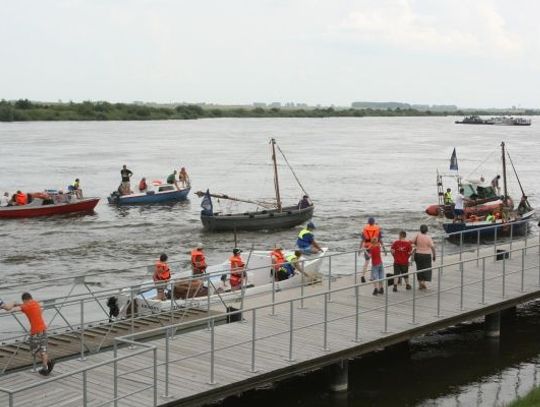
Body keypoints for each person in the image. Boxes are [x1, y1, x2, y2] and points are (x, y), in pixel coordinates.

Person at [2, 293, 55, 376]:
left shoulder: (25, 306)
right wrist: (16, 303)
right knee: (43, 351)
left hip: (35, 332)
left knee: (34, 352)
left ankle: (49, 362)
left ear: (24, 300)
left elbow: (10, 309)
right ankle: (45, 368)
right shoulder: (35, 303)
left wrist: (11, 303)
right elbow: (22, 305)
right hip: (43, 329)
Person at [360, 217, 385, 283]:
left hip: (367, 247)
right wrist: (384, 249)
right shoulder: (377, 229)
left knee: (366, 262)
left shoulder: (365, 229)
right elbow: (380, 240)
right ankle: (372, 277)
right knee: (375, 262)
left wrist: (360, 249)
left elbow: (362, 240)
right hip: (375, 247)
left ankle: (363, 275)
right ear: (374, 222)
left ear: (368, 222)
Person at [412, 225, 436, 290]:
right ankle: (423, 282)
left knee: (419, 269)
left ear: (420, 230)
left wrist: (417, 245)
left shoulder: (417, 235)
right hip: (426, 255)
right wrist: (434, 256)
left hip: (418, 254)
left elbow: (412, 241)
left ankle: (420, 284)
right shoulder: (428, 237)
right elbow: (432, 247)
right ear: (427, 230)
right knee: (426, 269)